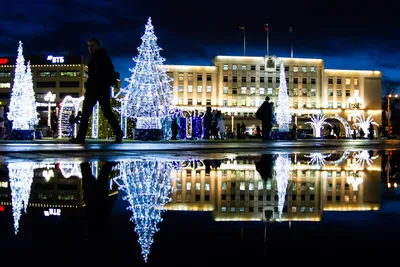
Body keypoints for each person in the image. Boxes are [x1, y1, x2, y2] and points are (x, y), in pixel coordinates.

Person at [70, 38, 123, 144]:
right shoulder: (95, 58)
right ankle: (81, 137)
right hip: (95, 89)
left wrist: (102, 83)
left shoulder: (103, 58)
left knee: (105, 112)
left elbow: (108, 73)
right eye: (89, 46)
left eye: (92, 46)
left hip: (100, 89)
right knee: (87, 113)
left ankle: (118, 133)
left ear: (98, 46)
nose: (90, 48)